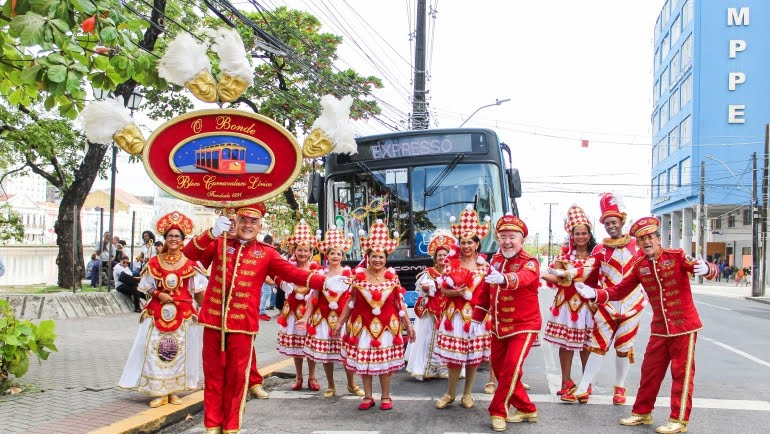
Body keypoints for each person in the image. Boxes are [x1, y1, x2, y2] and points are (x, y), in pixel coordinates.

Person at [182, 203, 347, 433]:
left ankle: (231, 426)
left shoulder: (267, 252)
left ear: (260, 226)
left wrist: (325, 281)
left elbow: (293, 273)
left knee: (237, 377)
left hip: (243, 325)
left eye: (253, 221)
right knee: (213, 374)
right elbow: (189, 255)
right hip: (212, 319)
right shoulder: (218, 243)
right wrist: (211, 232)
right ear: (235, 222)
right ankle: (212, 425)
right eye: (243, 220)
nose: (247, 225)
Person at [575, 216, 717, 434]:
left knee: (682, 374)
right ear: (638, 243)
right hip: (660, 329)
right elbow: (620, 290)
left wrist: (707, 269)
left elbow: (704, 268)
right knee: (649, 371)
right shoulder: (639, 265)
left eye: (650, 236)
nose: (647, 241)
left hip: (684, 327)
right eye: (642, 239)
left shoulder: (676, 256)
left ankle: (678, 419)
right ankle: (642, 412)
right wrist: (596, 293)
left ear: (658, 239)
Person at [561, 193, 647, 405]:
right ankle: (582, 388)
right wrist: (568, 273)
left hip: (632, 305)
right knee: (597, 345)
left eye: (613, 222)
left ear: (621, 222)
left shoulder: (637, 246)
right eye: (607, 223)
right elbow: (587, 267)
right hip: (606, 304)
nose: (610, 226)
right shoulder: (600, 249)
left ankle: (620, 387)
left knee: (624, 348)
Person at [118, 211, 206, 407]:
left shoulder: (191, 265)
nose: (173, 239)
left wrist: (209, 311)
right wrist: (159, 295)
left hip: (183, 315)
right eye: (170, 235)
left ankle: (174, 391)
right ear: (165, 238)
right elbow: (146, 286)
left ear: (183, 240)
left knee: (179, 351)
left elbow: (199, 293)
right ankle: (158, 391)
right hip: (157, 312)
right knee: (155, 350)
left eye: (177, 236)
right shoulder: (155, 262)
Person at [332, 219, 415, 410]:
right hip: (362, 326)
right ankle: (368, 396)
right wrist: (339, 323)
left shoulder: (392, 276)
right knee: (365, 362)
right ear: (368, 256)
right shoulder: (357, 276)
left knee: (384, 363)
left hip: (386, 326)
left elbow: (398, 302)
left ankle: (386, 396)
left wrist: (408, 326)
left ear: (386, 258)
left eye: (381, 256)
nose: (378, 259)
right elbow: (350, 302)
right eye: (374, 256)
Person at [471, 214, 541, 431]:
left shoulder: (530, 262)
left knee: (510, 368)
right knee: (502, 370)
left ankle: (498, 411)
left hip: (524, 325)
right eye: (502, 237)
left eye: (512, 236)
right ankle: (527, 409)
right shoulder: (496, 261)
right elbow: (484, 291)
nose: (507, 241)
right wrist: (476, 318)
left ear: (521, 240)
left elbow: (525, 278)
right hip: (499, 327)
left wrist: (505, 279)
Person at [434, 204, 492, 410]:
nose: (466, 245)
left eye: (470, 242)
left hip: (477, 317)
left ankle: (467, 394)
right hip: (455, 317)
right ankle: (449, 393)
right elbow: (442, 291)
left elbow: (489, 293)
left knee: (473, 358)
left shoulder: (486, 267)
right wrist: (457, 292)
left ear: (477, 244)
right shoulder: (451, 264)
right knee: (454, 358)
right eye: (463, 242)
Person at [297, 226, 364, 398]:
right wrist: (305, 318)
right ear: (327, 255)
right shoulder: (319, 274)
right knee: (327, 355)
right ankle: (331, 385)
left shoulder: (349, 274)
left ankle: (351, 384)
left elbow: (354, 299)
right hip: (323, 319)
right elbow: (313, 298)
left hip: (343, 319)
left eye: (338, 253)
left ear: (343, 256)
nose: (335, 256)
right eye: (332, 253)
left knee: (346, 354)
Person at [541, 205, 600, 397]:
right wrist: (545, 275)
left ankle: (586, 382)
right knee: (565, 345)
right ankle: (566, 381)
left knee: (586, 345)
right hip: (565, 305)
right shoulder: (564, 255)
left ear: (589, 235)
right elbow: (555, 277)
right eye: (577, 234)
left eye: (584, 233)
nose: (581, 237)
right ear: (571, 235)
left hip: (588, 306)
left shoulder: (597, 255)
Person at [274, 219, 322, 391]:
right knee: (296, 346)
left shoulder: (316, 269)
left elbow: (322, 285)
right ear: (294, 250)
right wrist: (283, 284)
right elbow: (275, 276)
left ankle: (312, 376)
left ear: (311, 252)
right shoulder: (288, 266)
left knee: (309, 344)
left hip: (310, 311)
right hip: (293, 312)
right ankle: (299, 376)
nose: (302, 253)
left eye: (306, 250)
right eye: (299, 250)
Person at [405, 232, 454, 381]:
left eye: (444, 255)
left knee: (446, 339)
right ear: (435, 258)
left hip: (447, 311)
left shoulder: (453, 272)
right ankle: (426, 369)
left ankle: (445, 369)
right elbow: (421, 289)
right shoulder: (428, 273)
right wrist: (428, 288)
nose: (442, 258)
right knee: (427, 339)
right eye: (439, 255)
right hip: (430, 312)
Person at [259, 234, 275, 321]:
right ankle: (261, 311)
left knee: (264, 293)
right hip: (265, 274)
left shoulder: (261, 247)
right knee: (266, 293)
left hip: (265, 274)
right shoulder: (265, 248)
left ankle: (261, 311)